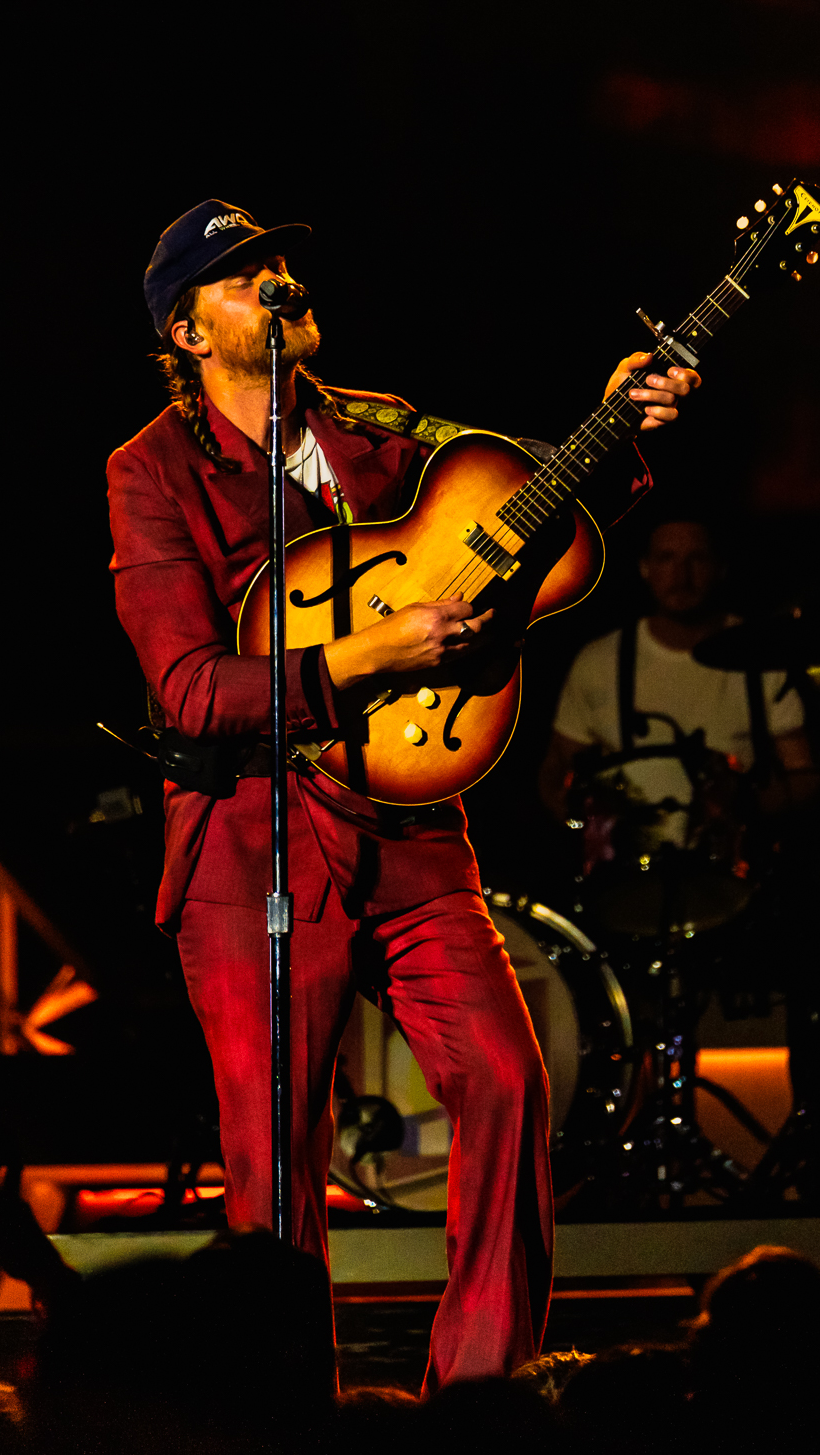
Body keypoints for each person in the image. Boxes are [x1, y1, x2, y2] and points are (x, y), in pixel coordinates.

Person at [106, 198, 697, 1392]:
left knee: (511, 1079)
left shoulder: (382, 431)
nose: (278, 281)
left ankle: (479, 1392)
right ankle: (285, 1407)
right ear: (186, 331)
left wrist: (622, 429)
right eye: (241, 275)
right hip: (251, 842)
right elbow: (187, 690)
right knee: (275, 1163)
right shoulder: (151, 472)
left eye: (279, 262)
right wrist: (368, 657)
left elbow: (525, 508)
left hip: (413, 820)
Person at [539, 516, 813, 840]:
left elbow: (802, 775)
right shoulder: (599, 662)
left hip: (735, 862)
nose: (681, 576)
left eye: (696, 559)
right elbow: (557, 775)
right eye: (666, 558)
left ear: (720, 569)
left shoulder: (763, 657)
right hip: (628, 872)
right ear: (645, 568)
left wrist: (742, 806)